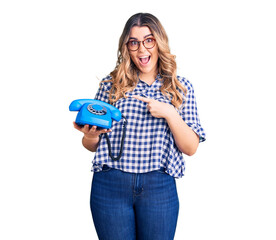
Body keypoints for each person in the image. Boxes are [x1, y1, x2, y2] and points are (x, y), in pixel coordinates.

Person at [73, 13, 206, 240]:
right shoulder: (110, 85)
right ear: (127, 47)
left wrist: (170, 113)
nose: (142, 50)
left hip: (158, 188)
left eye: (149, 40)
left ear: (159, 43)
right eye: (134, 42)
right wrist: (90, 136)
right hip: (110, 185)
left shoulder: (180, 88)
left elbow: (191, 148)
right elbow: (91, 146)